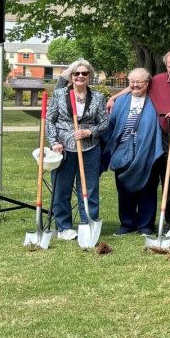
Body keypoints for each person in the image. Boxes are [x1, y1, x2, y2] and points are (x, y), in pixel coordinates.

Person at [46, 59, 109, 240]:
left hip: (90, 148)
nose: (80, 76)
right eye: (76, 73)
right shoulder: (59, 95)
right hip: (63, 148)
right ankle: (64, 227)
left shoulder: (97, 97)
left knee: (89, 189)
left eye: (84, 73)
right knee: (61, 189)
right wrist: (54, 142)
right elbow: (50, 120)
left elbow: (104, 122)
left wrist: (89, 131)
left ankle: (88, 223)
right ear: (71, 76)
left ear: (89, 77)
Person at [105, 67, 163, 236]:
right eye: (132, 81)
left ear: (148, 83)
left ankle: (145, 225)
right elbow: (112, 125)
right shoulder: (122, 101)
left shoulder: (155, 100)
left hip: (147, 151)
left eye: (140, 82)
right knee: (124, 189)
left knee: (147, 188)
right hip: (123, 151)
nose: (135, 85)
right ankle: (127, 223)